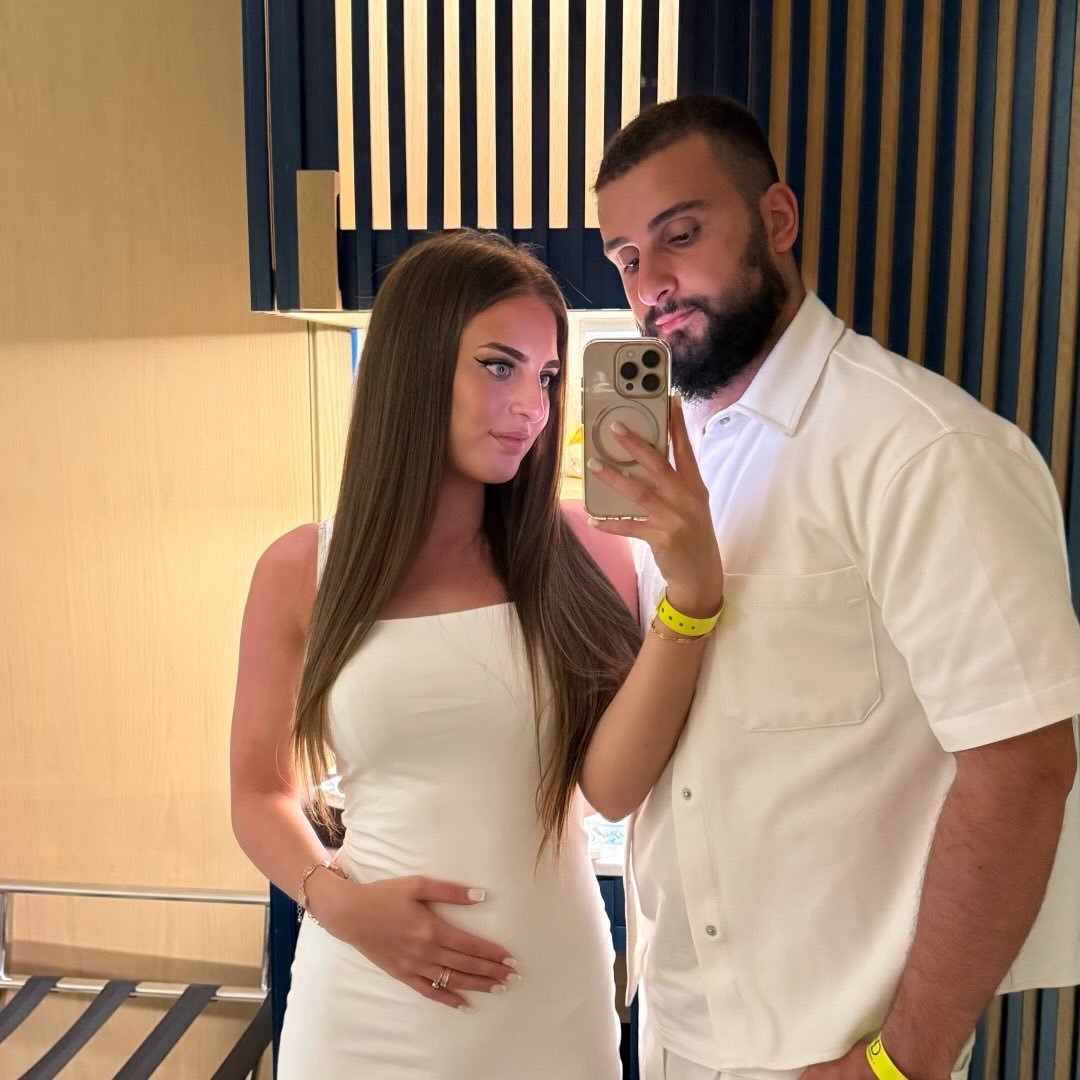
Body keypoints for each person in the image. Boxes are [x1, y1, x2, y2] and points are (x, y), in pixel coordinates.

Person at [592, 94, 1080, 1080]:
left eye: (680, 236)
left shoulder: (925, 452)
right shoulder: (683, 470)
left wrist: (904, 1061)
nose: (653, 286)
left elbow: (1024, 771)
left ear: (776, 219)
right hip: (681, 1031)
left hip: (839, 1055)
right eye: (628, 258)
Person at [229, 229, 724, 1078]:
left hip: (551, 998)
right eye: (499, 366)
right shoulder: (304, 570)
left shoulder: (593, 551)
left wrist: (693, 596)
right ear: (413, 366)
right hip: (364, 1001)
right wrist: (340, 907)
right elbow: (256, 793)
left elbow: (609, 789)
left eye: (548, 376)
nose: (532, 405)